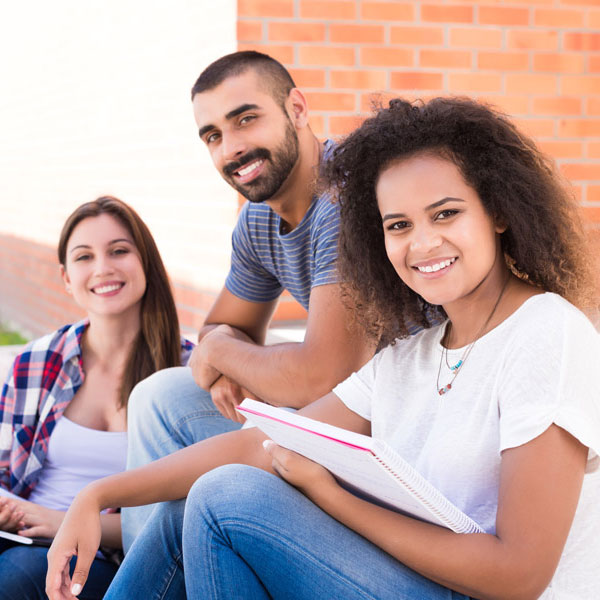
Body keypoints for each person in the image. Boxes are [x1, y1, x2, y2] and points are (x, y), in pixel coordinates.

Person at [46, 97, 600, 600]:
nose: (423, 242)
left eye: (446, 213)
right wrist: (96, 495)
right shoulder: (414, 355)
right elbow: (258, 445)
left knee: (224, 499)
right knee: (184, 509)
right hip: (408, 577)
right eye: (398, 224)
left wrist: (330, 495)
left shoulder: (546, 332)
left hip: (478, 592)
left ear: (498, 211)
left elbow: (519, 575)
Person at [121, 50, 375, 548]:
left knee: (204, 466)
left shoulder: (348, 197)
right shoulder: (259, 222)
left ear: (297, 109)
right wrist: (229, 360)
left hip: (387, 424)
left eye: (246, 119)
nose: (231, 147)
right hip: (328, 407)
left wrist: (225, 356)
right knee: (157, 396)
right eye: (213, 135)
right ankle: (150, 561)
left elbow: (322, 373)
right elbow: (215, 332)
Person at [0, 196, 193, 600]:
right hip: (20, 535)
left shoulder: (187, 374)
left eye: (119, 251)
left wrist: (62, 522)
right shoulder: (36, 361)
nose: (103, 268)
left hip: (110, 558)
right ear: (67, 278)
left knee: (17, 582)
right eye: (84, 256)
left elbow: (181, 517)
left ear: (146, 263)